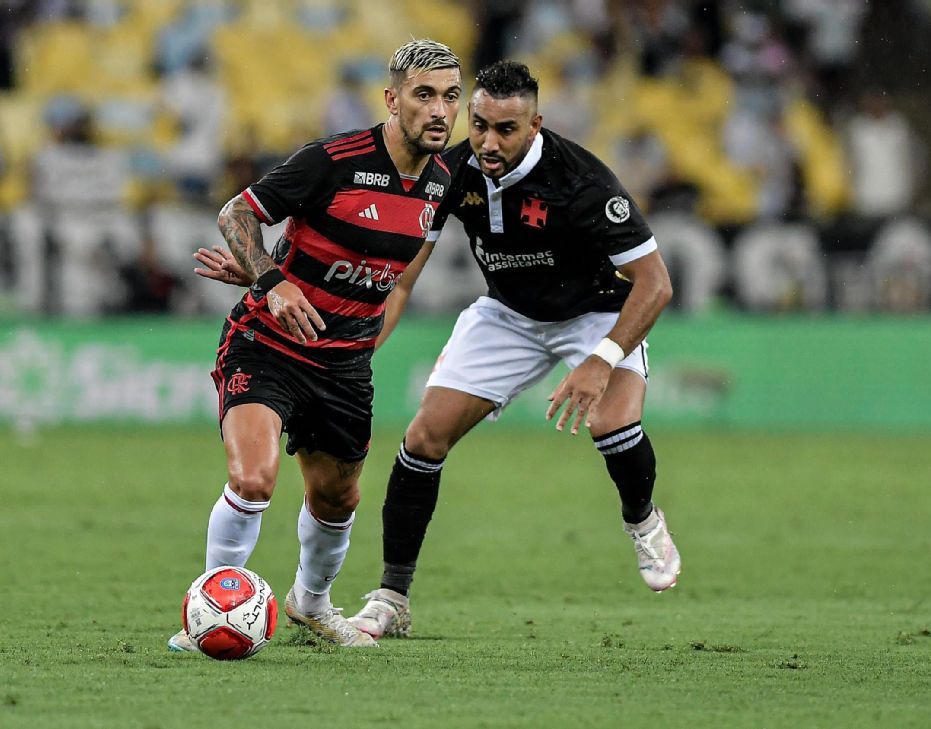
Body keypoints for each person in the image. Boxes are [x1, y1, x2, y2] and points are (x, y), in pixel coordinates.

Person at [196, 61, 679, 641]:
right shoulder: (451, 168)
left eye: (506, 129)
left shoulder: (581, 181)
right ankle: (392, 597)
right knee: (424, 439)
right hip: (508, 315)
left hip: (595, 314)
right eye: (478, 125)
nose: (487, 142)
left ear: (536, 125)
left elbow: (656, 284)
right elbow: (399, 278)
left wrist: (600, 360)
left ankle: (642, 520)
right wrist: (297, 300)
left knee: (612, 424)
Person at [169, 39, 462, 652]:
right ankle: (206, 611)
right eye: (425, 95)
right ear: (392, 99)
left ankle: (311, 603)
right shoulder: (333, 159)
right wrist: (271, 284)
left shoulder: (441, 183)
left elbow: (396, 282)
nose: (440, 110)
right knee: (253, 480)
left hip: (344, 363)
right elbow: (236, 216)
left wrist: (358, 347)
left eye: (451, 97)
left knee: (337, 495)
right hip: (268, 345)